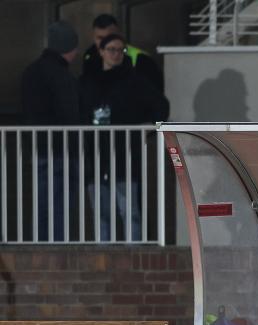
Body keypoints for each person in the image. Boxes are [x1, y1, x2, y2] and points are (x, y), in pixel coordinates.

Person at [80, 33, 169, 241]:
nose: (116, 54)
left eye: (121, 50)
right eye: (111, 49)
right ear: (101, 52)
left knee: (130, 212)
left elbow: (161, 105)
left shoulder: (134, 81)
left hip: (125, 156)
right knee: (102, 214)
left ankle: (134, 255)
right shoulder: (88, 81)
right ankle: (104, 257)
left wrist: (148, 126)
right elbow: (78, 109)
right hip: (95, 156)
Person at [21, 21, 81, 241]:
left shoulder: (31, 71)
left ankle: (40, 245)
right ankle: (58, 247)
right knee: (61, 205)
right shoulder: (63, 76)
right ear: (70, 48)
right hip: (62, 150)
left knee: (42, 204)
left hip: (38, 148)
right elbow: (71, 113)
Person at [82, 13, 164, 91]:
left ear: (119, 34)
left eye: (110, 37)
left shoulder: (141, 59)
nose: (105, 42)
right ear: (93, 37)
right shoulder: (89, 56)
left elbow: (155, 95)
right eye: (100, 38)